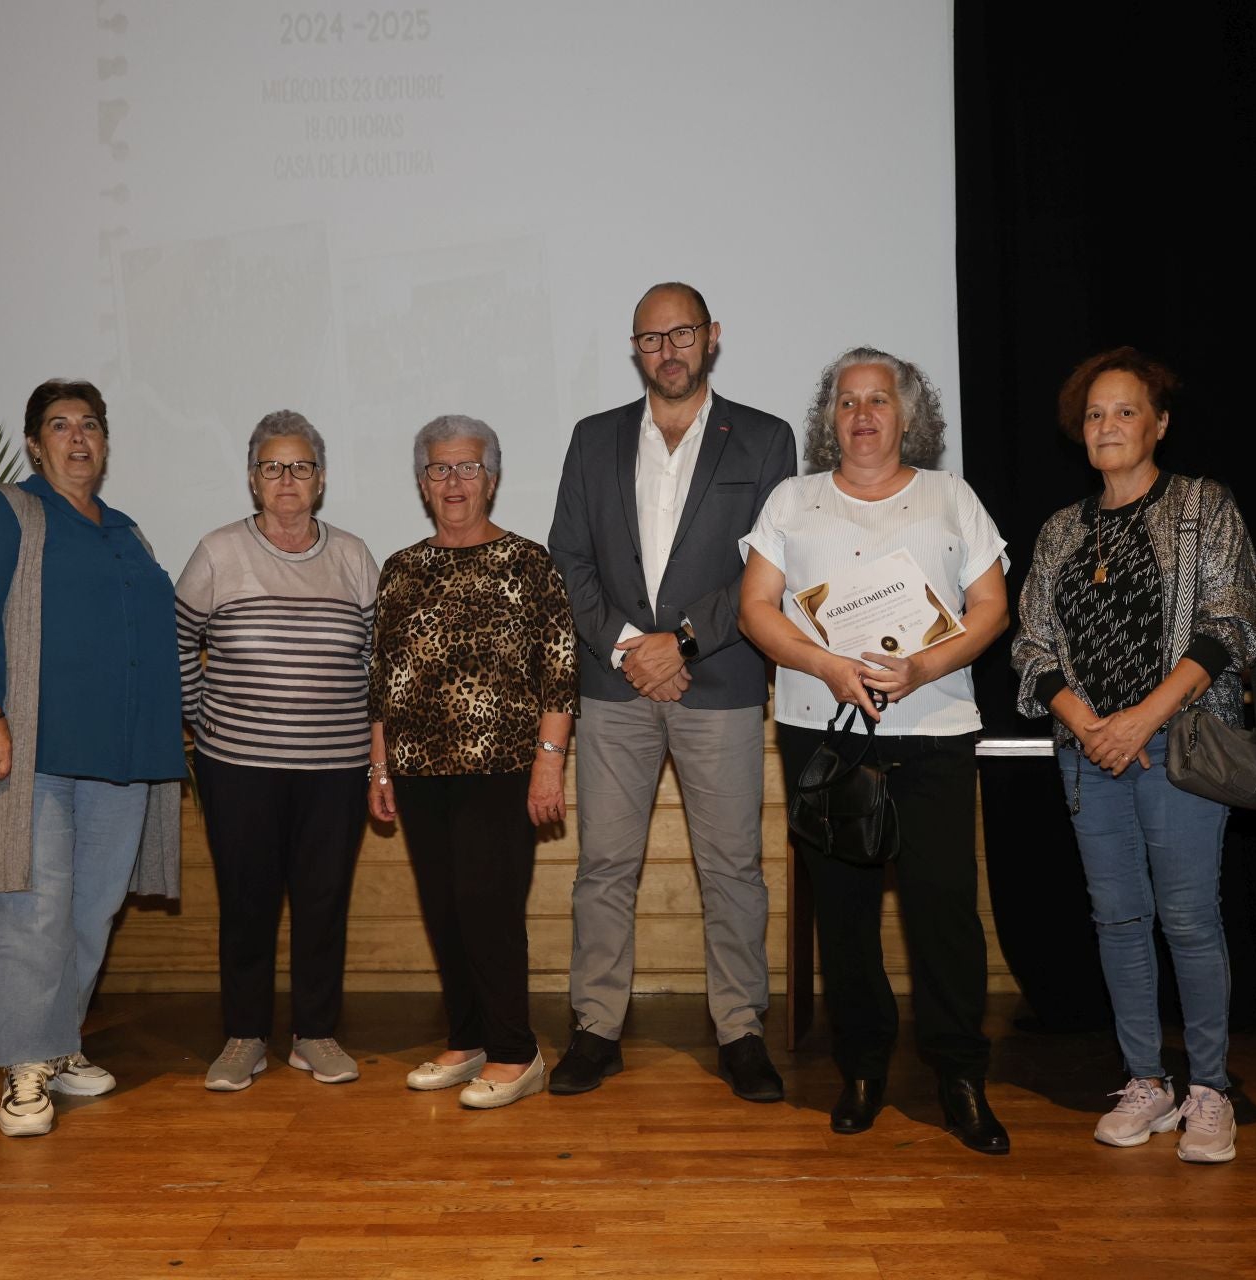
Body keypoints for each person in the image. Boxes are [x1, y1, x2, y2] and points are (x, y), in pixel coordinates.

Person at [738, 347, 1012, 1154]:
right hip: (827, 732)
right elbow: (756, 609)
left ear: (907, 416)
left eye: (879, 399)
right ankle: (861, 1069)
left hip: (933, 732)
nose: (863, 414)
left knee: (943, 912)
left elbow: (991, 606)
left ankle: (960, 1075)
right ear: (830, 419)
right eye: (847, 401)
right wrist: (825, 664)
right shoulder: (792, 501)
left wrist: (924, 666)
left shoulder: (952, 498)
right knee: (846, 914)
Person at [1010, 346, 1256, 1164]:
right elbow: (1031, 647)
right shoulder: (1061, 531)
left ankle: (1211, 1091)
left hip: (1179, 746)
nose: (1107, 425)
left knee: (1188, 918)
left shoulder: (1202, 506)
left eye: (1125, 411)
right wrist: (1091, 727)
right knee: (1117, 921)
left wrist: (1141, 720)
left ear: (1159, 424)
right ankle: (1146, 1082)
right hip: (1089, 754)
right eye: (1094, 414)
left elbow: (1231, 622)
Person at [546, 281, 797, 1102]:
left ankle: (740, 1031)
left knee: (732, 869)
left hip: (718, 681)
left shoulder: (764, 438)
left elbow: (770, 566)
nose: (669, 351)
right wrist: (630, 648)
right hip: (614, 685)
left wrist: (681, 643)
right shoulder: (593, 439)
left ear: (711, 336)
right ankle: (595, 1029)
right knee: (604, 867)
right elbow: (568, 559)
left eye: (682, 334)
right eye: (652, 339)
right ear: (636, 350)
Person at [0, 378, 185, 1138]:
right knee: (30, 908)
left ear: (105, 443)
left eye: (91, 425)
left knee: (91, 910)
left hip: (120, 756)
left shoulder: (127, 531)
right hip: (30, 753)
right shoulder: (9, 513)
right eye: (60, 425)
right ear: (35, 445)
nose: (78, 437)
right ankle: (23, 1067)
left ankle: (59, 1041)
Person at [367, 415, 576, 1110]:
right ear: (423, 483)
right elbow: (383, 679)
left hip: (503, 767)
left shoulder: (528, 562)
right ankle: (467, 1040)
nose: (453, 482)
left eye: (466, 468)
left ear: (492, 478)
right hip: (418, 769)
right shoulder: (401, 568)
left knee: (488, 907)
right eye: (439, 469)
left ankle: (517, 1051)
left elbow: (560, 673)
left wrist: (549, 764)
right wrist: (379, 767)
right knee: (444, 907)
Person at [174, 411, 379, 1093]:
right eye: (272, 466)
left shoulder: (353, 557)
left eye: (300, 466)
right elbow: (178, 639)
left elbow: (378, 661)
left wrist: (374, 754)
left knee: (323, 902)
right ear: (253, 479)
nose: (286, 479)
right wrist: (201, 718)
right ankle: (244, 1038)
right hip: (238, 768)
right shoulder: (217, 552)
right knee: (247, 902)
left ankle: (315, 1035)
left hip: (336, 769)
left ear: (320, 480)